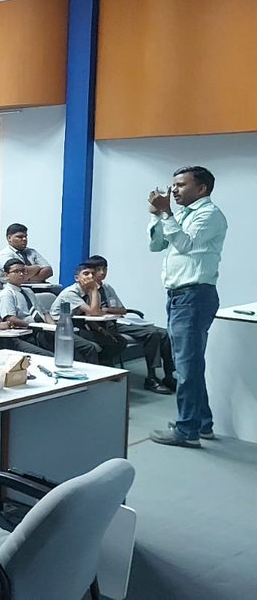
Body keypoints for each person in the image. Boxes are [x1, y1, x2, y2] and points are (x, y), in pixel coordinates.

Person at [146, 166, 227, 447]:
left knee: (187, 365)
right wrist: (159, 215)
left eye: (180, 185)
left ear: (201, 189)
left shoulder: (209, 214)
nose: (174, 191)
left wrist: (167, 213)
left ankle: (187, 431)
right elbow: (157, 245)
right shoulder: (183, 214)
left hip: (194, 296)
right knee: (190, 363)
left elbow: (184, 245)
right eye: (173, 186)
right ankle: (200, 423)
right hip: (180, 297)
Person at [88, 255, 176, 393]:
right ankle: (151, 378)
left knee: (163, 333)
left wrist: (106, 310)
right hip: (105, 326)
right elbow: (92, 313)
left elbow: (122, 310)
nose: (102, 272)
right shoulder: (87, 289)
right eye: (98, 269)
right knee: (152, 334)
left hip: (119, 321)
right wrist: (104, 312)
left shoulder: (107, 288)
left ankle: (169, 375)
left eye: (105, 269)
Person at [0, 259, 100, 364]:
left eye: (23, 271)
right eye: (16, 271)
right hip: (31, 332)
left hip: (46, 329)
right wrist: (34, 325)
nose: (21, 274)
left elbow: (44, 312)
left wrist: (52, 326)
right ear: (7, 275)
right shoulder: (7, 294)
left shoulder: (28, 291)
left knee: (83, 348)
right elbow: (10, 318)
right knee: (73, 351)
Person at [54, 262, 130, 365]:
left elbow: (94, 313)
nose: (90, 277)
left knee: (119, 341)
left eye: (93, 274)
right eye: (86, 274)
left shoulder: (89, 291)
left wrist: (100, 329)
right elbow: (94, 312)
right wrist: (94, 289)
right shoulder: (71, 293)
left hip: (78, 324)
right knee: (93, 346)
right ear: (77, 278)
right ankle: (101, 368)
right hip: (61, 327)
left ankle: (104, 363)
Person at [0, 223, 53, 288]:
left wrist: (25, 279)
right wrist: (38, 267)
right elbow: (20, 272)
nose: (24, 239)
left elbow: (49, 271)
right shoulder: (3, 255)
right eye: (20, 237)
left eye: (25, 236)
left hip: (35, 288)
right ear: (9, 238)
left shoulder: (32, 252)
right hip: (14, 290)